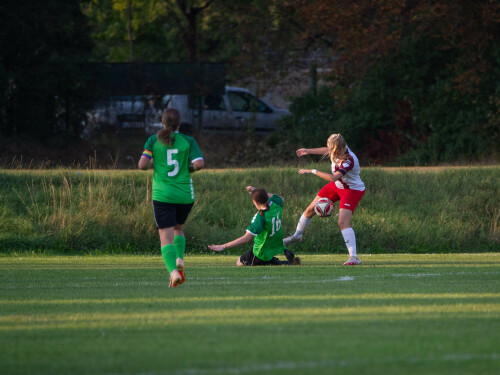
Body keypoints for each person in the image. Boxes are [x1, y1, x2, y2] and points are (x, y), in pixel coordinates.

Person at [139, 108, 204, 287]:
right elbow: (199, 164)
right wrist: (188, 169)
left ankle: (174, 272)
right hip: (184, 195)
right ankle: (179, 259)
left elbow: (142, 165)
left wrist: (157, 163)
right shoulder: (188, 140)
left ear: (162, 122)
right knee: (178, 229)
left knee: (165, 237)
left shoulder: (154, 140)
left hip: (163, 194)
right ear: (179, 123)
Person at [283, 133, 365, 266]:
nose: (329, 152)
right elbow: (326, 150)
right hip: (337, 186)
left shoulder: (349, 160)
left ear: (338, 148)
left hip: (352, 190)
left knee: (342, 221)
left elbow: (333, 178)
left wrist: (313, 171)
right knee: (310, 209)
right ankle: (297, 236)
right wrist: (308, 151)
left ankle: (353, 257)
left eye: (331, 149)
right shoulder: (338, 147)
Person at [209, 186, 300, 266]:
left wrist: (223, 246)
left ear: (255, 202)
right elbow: (281, 198)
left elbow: (245, 239)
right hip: (273, 245)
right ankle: (283, 260)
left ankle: (277, 262)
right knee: (265, 259)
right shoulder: (276, 204)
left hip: (260, 252)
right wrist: (257, 191)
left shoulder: (260, 217)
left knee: (239, 263)